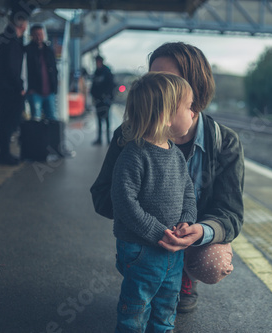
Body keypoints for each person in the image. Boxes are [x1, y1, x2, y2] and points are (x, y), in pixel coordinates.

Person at [90, 42, 244, 314]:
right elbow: (102, 195)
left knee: (215, 261)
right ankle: (147, 270)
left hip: (191, 234)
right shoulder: (128, 136)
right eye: (152, 80)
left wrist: (200, 232)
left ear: (193, 91)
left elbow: (230, 213)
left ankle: (184, 276)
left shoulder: (224, 142)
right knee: (140, 302)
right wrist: (147, 218)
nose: (157, 90)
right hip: (143, 237)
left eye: (168, 81)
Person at [112, 72, 197, 332]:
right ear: (166, 115)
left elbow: (188, 193)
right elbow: (124, 202)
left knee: (166, 305)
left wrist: (187, 220)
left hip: (173, 249)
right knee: (136, 308)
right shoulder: (134, 155)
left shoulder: (176, 155)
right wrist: (157, 231)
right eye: (188, 107)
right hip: (141, 249)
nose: (193, 113)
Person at [0, 13, 28, 165]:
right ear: (22, 25)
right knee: (9, 122)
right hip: (10, 90)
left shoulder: (1, 38)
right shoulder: (12, 42)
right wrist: (20, 87)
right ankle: (4, 155)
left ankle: (4, 153)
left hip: (1, 89)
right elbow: (12, 69)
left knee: (4, 122)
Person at [25, 24, 58, 121]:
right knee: (36, 119)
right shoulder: (27, 50)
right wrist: (29, 89)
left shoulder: (49, 51)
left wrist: (54, 87)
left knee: (52, 118)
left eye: (40, 34)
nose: (39, 37)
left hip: (49, 92)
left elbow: (54, 70)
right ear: (31, 35)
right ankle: (36, 137)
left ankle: (50, 137)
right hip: (34, 91)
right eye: (36, 34)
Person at [90, 55, 115, 145]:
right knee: (99, 120)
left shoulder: (107, 71)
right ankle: (99, 139)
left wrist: (109, 98)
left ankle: (108, 140)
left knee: (107, 119)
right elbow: (93, 86)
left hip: (106, 100)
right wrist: (93, 96)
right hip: (98, 100)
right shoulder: (96, 72)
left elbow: (111, 85)